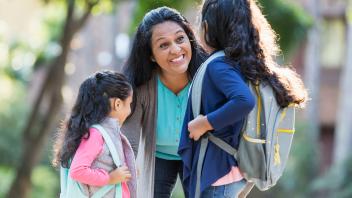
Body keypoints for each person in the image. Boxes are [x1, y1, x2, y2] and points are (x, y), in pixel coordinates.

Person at [178, 0, 308, 197]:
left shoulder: (218, 65)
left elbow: (244, 101)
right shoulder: (239, 64)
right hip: (233, 173)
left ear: (207, 27)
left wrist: (204, 123)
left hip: (218, 174)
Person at [121, 6, 207, 198]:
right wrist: (123, 169)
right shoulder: (141, 86)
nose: (176, 49)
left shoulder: (208, 75)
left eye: (180, 39)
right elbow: (130, 138)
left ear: (189, 39)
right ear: (151, 54)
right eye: (163, 45)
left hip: (198, 155)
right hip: (159, 156)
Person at [53, 70, 137, 198]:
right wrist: (109, 178)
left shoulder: (107, 134)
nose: (130, 110)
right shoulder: (96, 134)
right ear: (118, 104)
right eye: (129, 104)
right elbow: (78, 171)